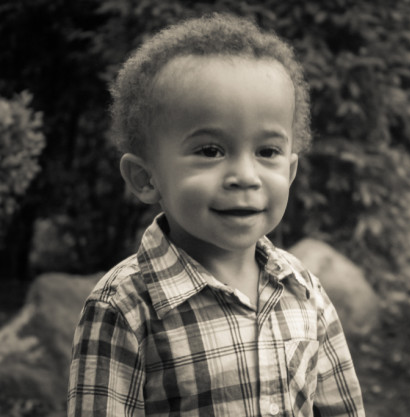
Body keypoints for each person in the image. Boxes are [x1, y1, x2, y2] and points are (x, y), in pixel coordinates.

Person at [67, 12, 365, 417]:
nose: (245, 176)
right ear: (145, 178)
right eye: (210, 151)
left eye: (267, 152)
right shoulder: (124, 308)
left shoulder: (305, 291)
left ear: (290, 172)